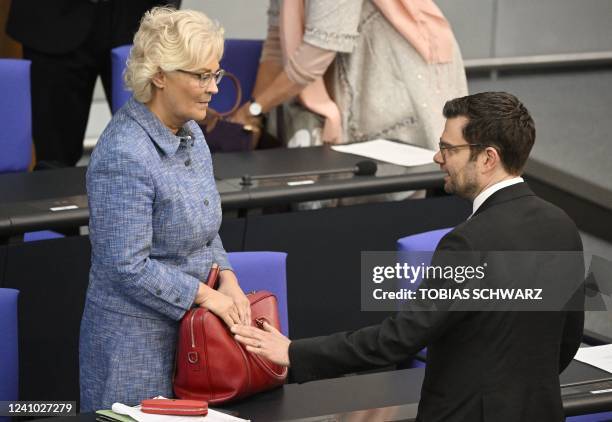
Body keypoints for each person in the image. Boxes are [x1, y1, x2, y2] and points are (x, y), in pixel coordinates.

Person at [232, 92, 585, 422]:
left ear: (488, 158)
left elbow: (398, 339)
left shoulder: (466, 243)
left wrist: (294, 353)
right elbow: (568, 339)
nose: (438, 157)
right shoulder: (563, 226)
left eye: (448, 148)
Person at [79, 8, 250, 411]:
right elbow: (126, 265)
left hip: (193, 341)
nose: (213, 88)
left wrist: (227, 276)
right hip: (133, 349)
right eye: (200, 76)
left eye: (216, 75)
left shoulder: (191, 133)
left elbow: (206, 226)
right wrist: (207, 297)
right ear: (159, 75)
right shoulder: (124, 153)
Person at [230, 0, 467, 149]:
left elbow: (317, 51)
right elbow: (275, 44)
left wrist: (256, 108)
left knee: (395, 180)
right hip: (345, 67)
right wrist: (254, 119)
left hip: (395, 73)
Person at [6, 0, 180, 168]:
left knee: (157, 146)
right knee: (55, 157)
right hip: (51, 21)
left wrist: (166, 13)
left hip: (138, 17)